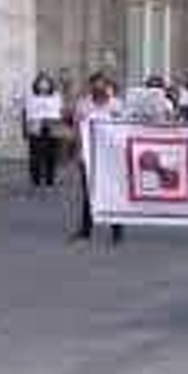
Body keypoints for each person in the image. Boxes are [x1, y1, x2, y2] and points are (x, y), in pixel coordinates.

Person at [71, 71, 124, 244]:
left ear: (107, 86)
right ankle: (86, 230)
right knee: (89, 193)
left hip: (110, 156)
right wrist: (79, 151)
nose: (98, 87)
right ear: (91, 86)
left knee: (113, 191)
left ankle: (117, 230)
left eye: (102, 84)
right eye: (95, 84)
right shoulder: (83, 104)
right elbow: (78, 128)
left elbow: (123, 128)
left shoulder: (116, 104)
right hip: (89, 155)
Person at [24, 71, 64, 193]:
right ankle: (35, 182)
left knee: (51, 156)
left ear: (50, 84)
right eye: (41, 82)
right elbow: (26, 113)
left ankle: (49, 182)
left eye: (46, 82)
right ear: (37, 84)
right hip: (35, 128)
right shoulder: (31, 97)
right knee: (35, 156)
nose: (43, 85)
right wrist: (26, 129)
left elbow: (60, 111)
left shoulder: (56, 96)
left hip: (51, 128)